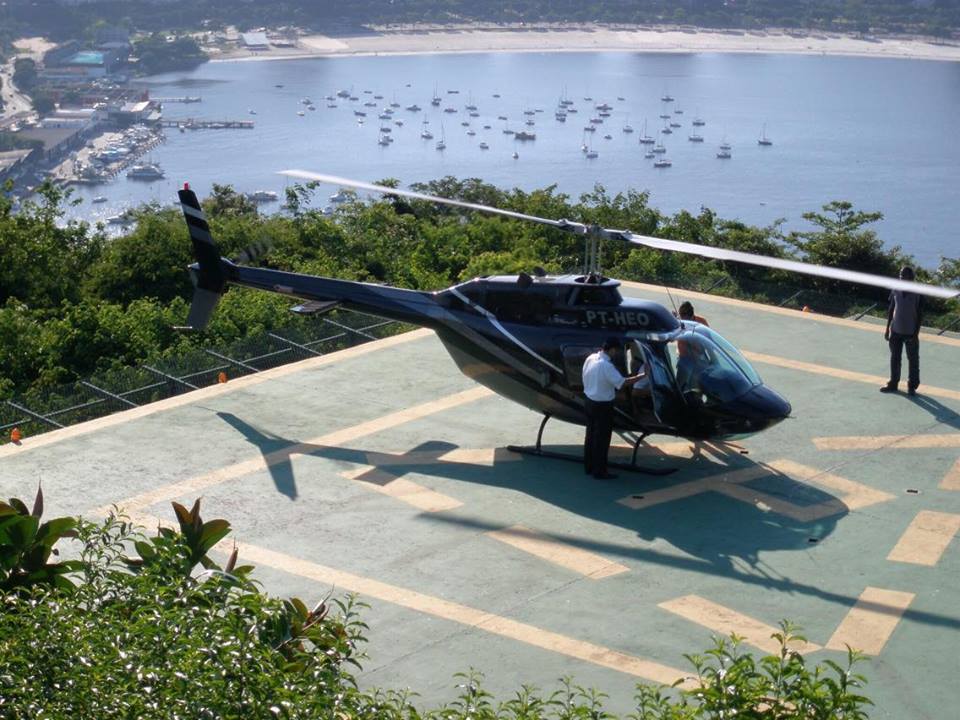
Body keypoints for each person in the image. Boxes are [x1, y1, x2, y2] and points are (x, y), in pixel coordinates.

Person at [582, 338, 644, 480]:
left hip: (589, 402)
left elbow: (584, 376)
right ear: (611, 350)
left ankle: (589, 466)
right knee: (602, 439)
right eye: (616, 350)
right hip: (602, 406)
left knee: (590, 435)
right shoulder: (606, 366)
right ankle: (600, 471)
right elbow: (622, 383)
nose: (616, 353)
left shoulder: (590, 358)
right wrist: (643, 376)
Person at [881, 266, 922, 395]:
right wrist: (887, 328)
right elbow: (891, 308)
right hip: (896, 330)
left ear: (911, 278)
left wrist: (916, 334)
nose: (901, 277)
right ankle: (893, 383)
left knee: (913, 360)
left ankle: (912, 386)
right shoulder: (895, 289)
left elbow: (920, 314)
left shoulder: (918, 292)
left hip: (910, 332)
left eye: (904, 275)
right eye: (900, 275)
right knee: (895, 358)